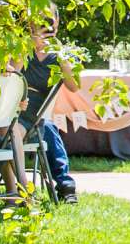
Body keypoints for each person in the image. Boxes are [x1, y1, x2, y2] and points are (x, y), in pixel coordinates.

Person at [12, 11, 79, 203]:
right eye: (41, 19)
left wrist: (61, 56)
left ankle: (66, 186)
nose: (45, 24)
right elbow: (11, 75)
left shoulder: (57, 54)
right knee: (45, 128)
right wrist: (28, 47)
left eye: (50, 20)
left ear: (57, 22)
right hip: (15, 112)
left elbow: (74, 86)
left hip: (36, 116)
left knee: (47, 127)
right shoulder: (21, 47)